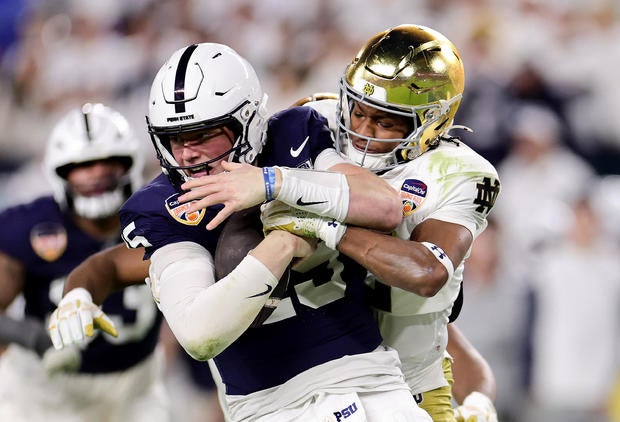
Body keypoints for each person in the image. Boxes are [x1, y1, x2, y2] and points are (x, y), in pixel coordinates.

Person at [48, 42, 432, 422]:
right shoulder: (164, 206)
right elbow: (200, 334)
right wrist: (283, 240)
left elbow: (386, 205)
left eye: (201, 135)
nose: (186, 154)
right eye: (175, 139)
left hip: (372, 376)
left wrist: (274, 183)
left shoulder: (292, 137)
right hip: (271, 405)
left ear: (247, 122)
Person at [179, 25, 501, 422]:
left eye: (385, 122)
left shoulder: (458, 173)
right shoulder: (316, 120)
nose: (362, 132)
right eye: (358, 111)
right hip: (317, 375)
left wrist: (322, 225)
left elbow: (426, 275)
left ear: (431, 122)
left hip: (408, 384)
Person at [0, 103, 169, 421]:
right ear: (60, 173)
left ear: (130, 165)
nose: (98, 173)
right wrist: (33, 338)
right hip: (45, 388)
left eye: (109, 162)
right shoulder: (30, 226)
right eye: (83, 165)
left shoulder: (155, 214)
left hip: (137, 384)